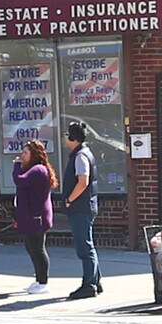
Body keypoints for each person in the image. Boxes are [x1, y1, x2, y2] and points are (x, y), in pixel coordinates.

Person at [11, 137, 56, 294]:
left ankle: (43, 282)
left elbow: (19, 181)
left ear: (34, 154)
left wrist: (16, 166)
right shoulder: (31, 169)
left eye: (25, 152)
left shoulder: (38, 170)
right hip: (29, 215)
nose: (22, 155)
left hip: (37, 217)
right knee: (30, 248)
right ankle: (38, 279)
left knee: (38, 249)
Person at [62, 120, 101, 300]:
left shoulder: (80, 156)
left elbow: (82, 182)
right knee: (88, 244)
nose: (65, 137)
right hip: (87, 205)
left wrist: (70, 199)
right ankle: (96, 281)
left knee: (84, 247)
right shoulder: (84, 153)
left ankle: (89, 284)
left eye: (67, 134)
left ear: (72, 137)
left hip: (80, 207)